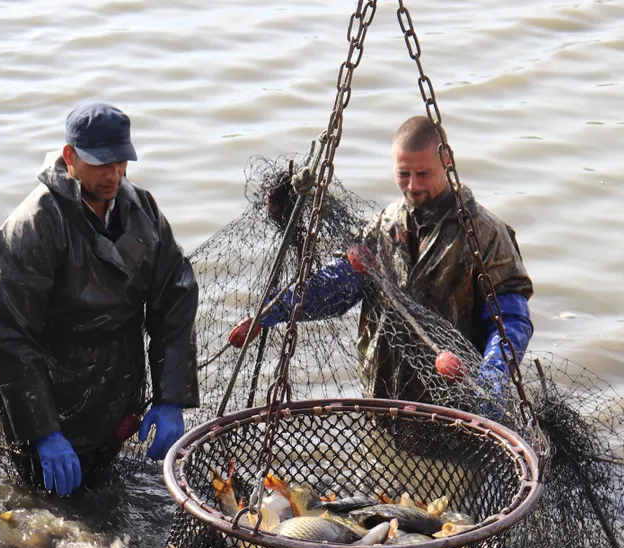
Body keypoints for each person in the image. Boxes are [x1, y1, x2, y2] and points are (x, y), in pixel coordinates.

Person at [229, 116, 534, 409]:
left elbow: (510, 318)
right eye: (403, 173)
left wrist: (494, 374)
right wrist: (274, 309)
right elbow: (337, 287)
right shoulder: (383, 226)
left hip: (456, 410)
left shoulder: (485, 233)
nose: (412, 185)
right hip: (384, 404)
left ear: (447, 161)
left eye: (423, 174)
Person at [0, 102, 199, 496]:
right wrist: (43, 432)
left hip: (112, 401)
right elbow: (10, 335)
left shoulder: (144, 211)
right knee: (44, 509)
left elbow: (176, 298)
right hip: (46, 402)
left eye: (121, 162)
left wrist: (171, 398)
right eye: (101, 164)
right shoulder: (33, 225)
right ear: (70, 157)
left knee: (104, 506)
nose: (114, 174)